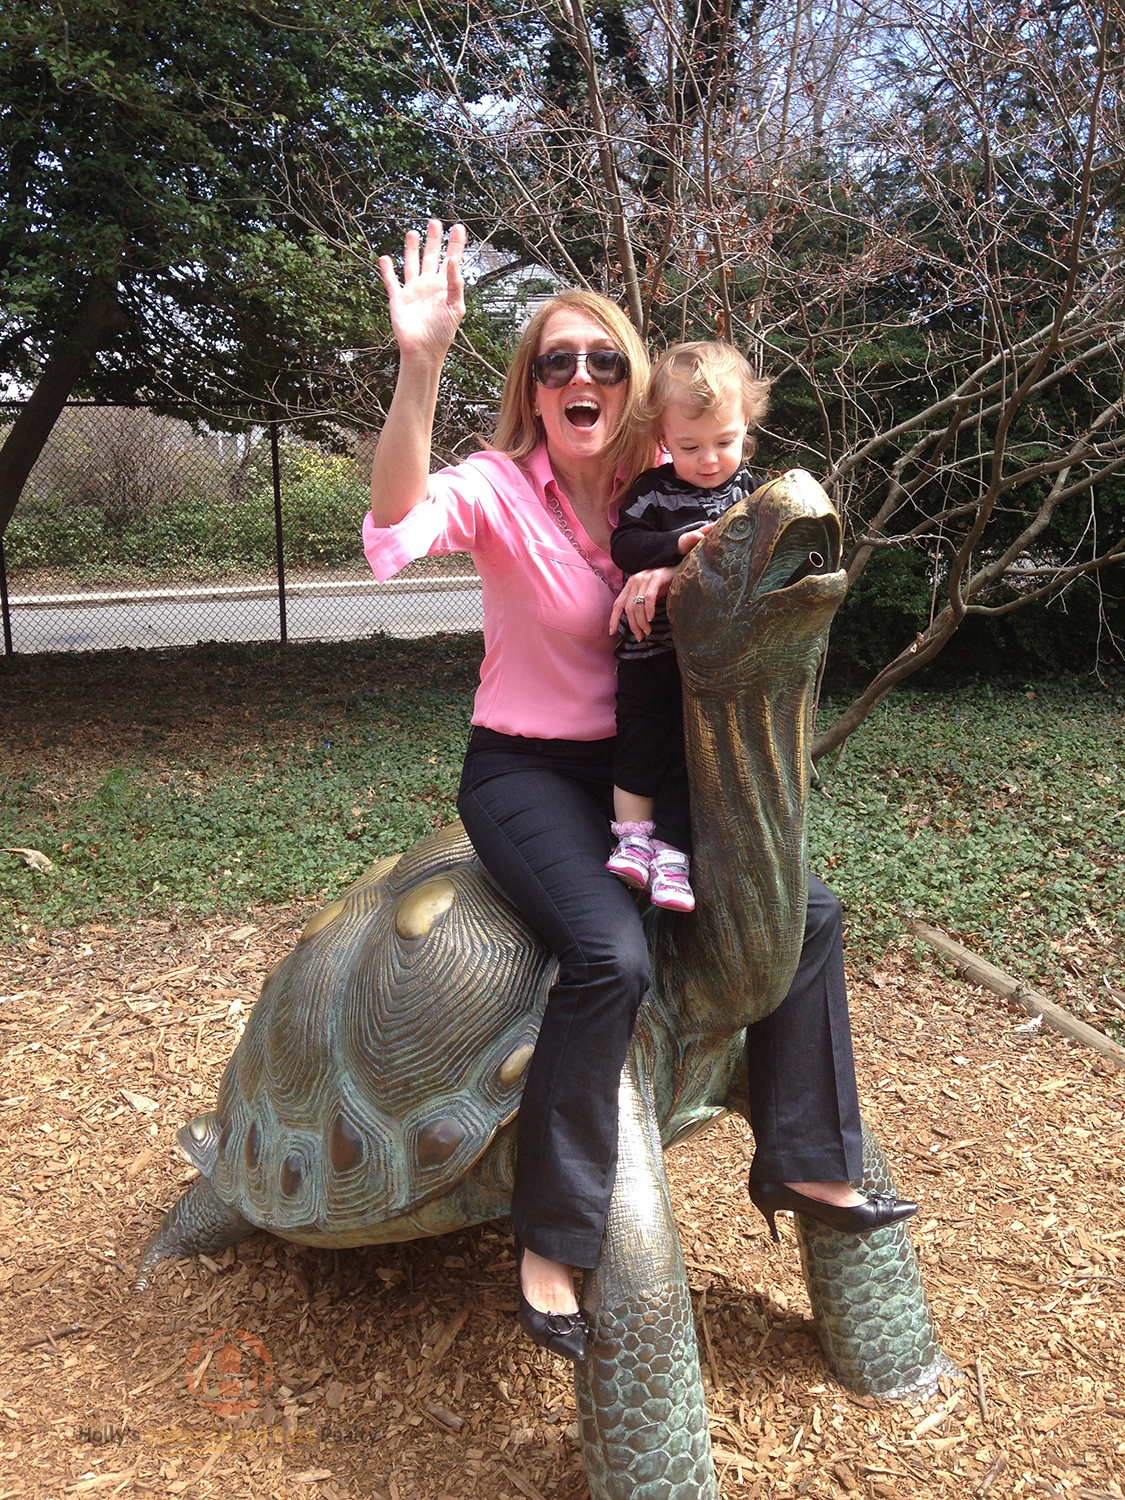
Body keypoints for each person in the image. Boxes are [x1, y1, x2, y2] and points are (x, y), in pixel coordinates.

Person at [364, 220, 917, 1367]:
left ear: (634, 390)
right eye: (556, 362)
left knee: (807, 913)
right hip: (526, 770)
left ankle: (809, 1159)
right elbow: (393, 525)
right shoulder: (494, 488)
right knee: (609, 958)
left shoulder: (653, 483)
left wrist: (675, 562)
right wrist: (421, 363)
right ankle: (554, 1235)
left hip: (643, 770)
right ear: (533, 387)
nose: (581, 377)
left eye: (604, 360)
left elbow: (736, 525)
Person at [606, 341, 771, 914]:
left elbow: (762, 565)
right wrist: (676, 546)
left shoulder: (751, 495)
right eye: (689, 446)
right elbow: (625, 545)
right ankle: (632, 841)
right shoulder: (651, 491)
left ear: (746, 427)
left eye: (724, 442)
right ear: (663, 437)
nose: (708, 460)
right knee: (640, 742)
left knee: (689, 754)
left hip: (712, 662)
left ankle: (672, 856)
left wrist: (690, 568)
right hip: (648, 652)